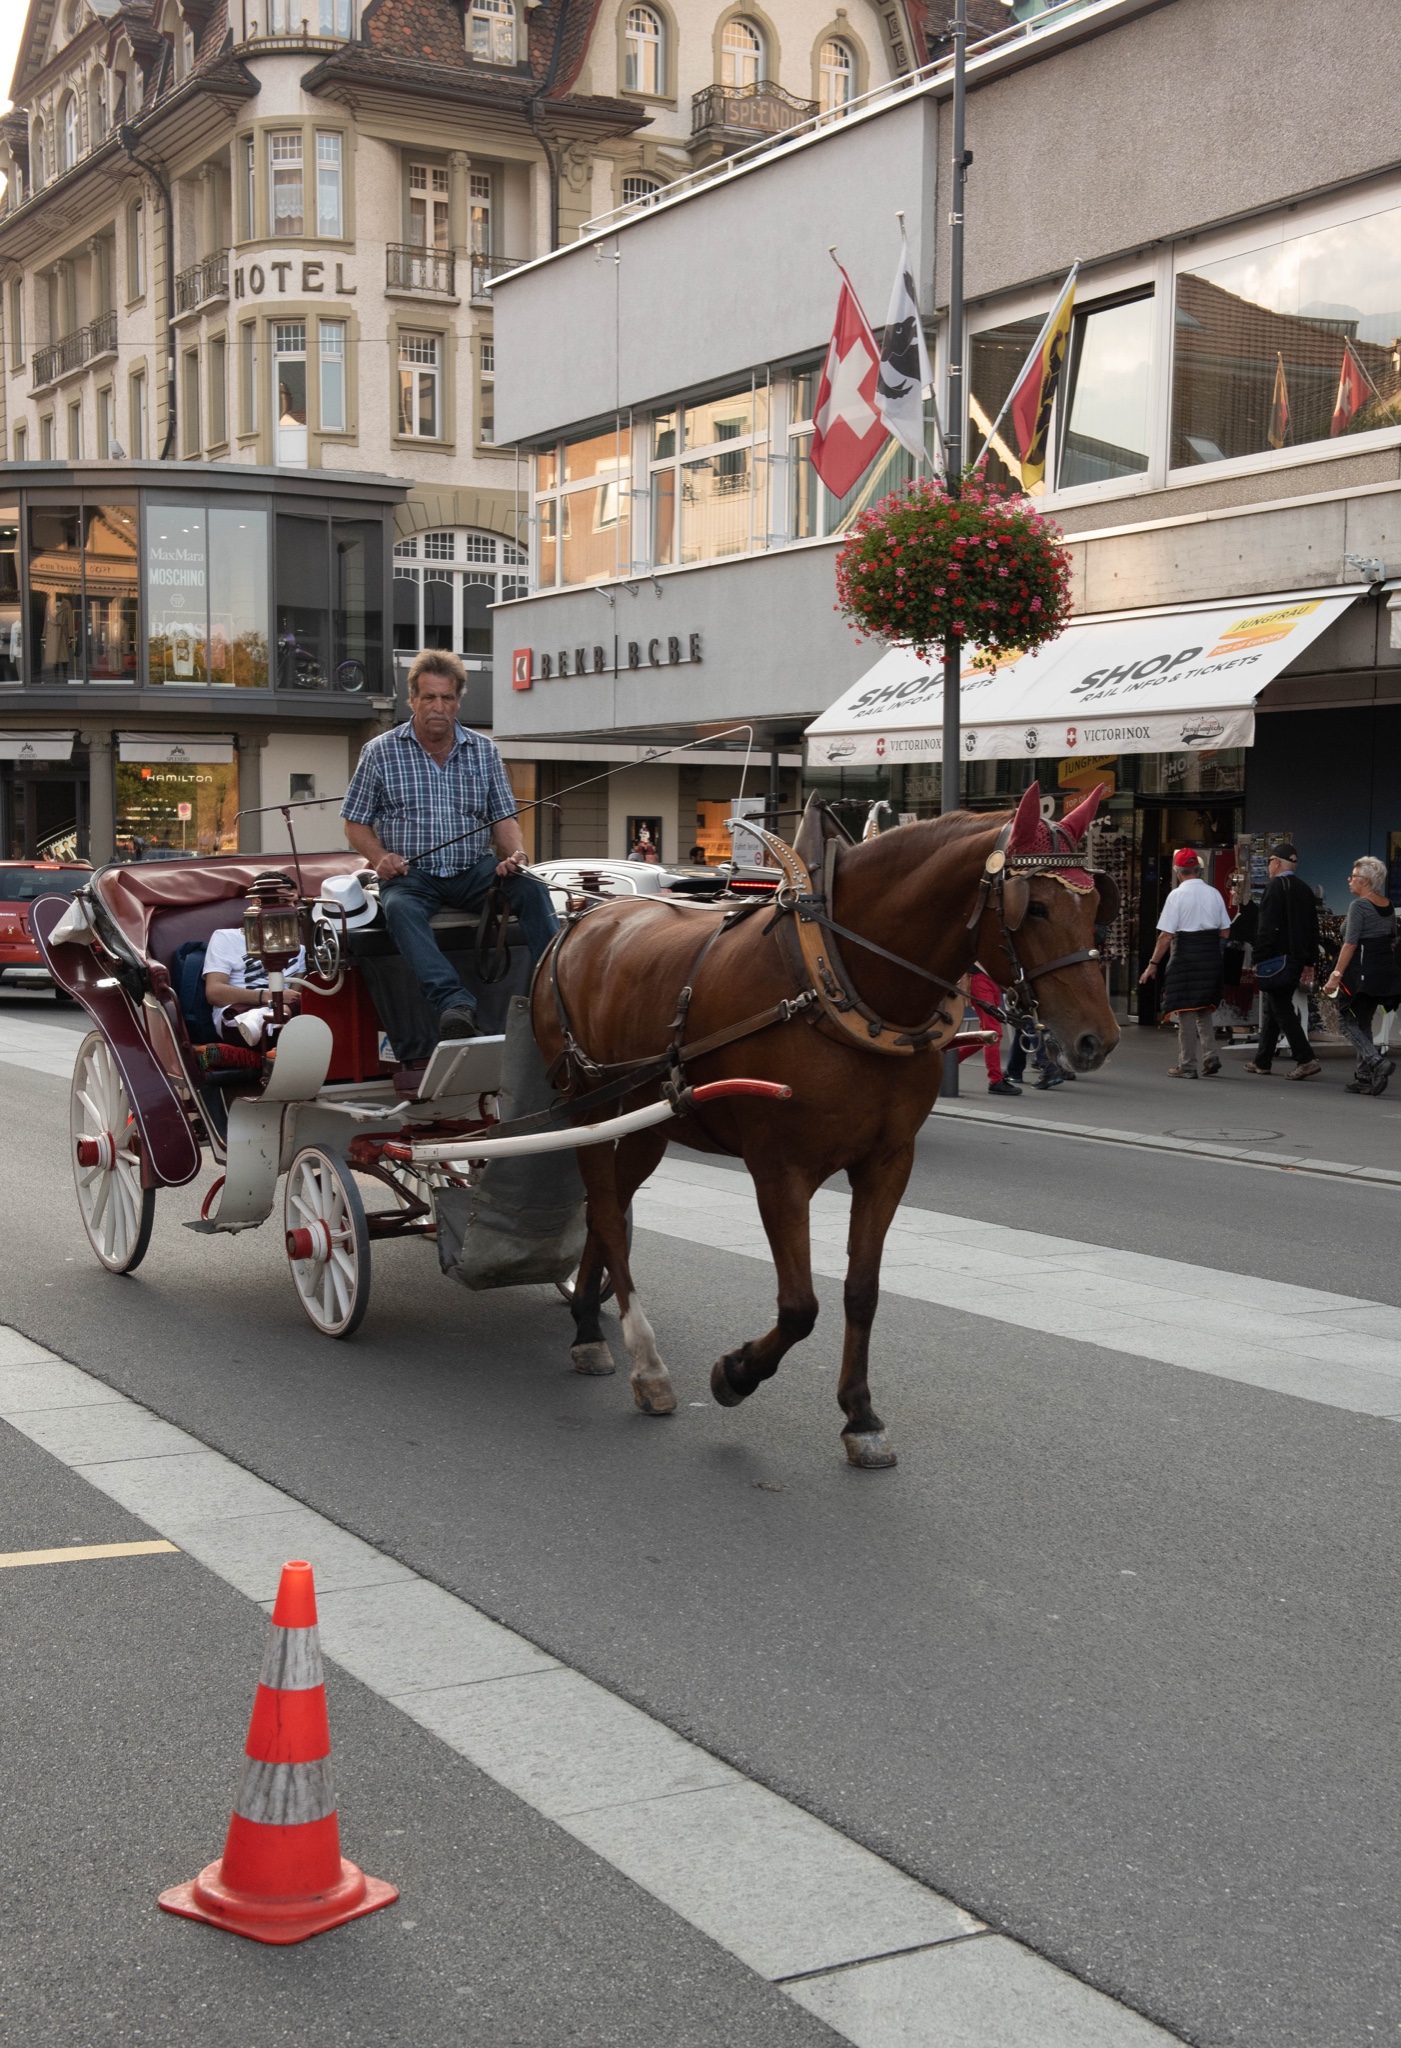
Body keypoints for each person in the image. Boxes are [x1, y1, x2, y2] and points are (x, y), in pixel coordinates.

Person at [341, 648, 558, 1042]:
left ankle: (558, 985)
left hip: (474, 871)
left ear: (458, 701)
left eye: (446, 698)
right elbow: (355, 823)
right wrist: (380, 858)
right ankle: (454, 1003)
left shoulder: (485, 751)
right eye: (429, 697)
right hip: (412, 876)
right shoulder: (379, 752)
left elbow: (504, 819)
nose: (438, 707)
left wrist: (516, 856)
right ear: (413, 700)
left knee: (531, 887)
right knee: (399, 908)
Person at [1138, 848, 1230, 1078]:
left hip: (1186, 957)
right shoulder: (1214, 894)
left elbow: (1166, 936)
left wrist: (1152, 964)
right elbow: (1226, 932)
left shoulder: (1176, 896)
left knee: (1185, 1010)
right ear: (1198, 870)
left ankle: (1187, 1065)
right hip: (1210, 957)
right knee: (1202, 1007)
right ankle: (1211, 1055)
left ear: (1178, 871)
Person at [1243, 841, 1322, 1080]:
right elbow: (1312, 928)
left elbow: (1266, 926)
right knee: (1274, 1005)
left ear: (1276, 862)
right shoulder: (1304, 889)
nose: (1268, 866)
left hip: (1277, 959)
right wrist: (1310, 961)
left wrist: (1258, 958)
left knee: (1281, 1008)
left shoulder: (1275, 887)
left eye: (1269, 862)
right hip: (1297, 958)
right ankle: (1262, 1059)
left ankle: (1305, 1058)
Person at [1322, 855, 1399, 1097]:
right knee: (1363, 1020)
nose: (1349, 880)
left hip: (1360, 971)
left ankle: (1377, 1062)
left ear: (1365, 880)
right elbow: (1393, 939)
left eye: (1353, 876)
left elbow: (1350, 943)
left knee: (1346, 1021)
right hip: (1382, 971)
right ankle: (1364, 1077)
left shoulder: (1359, 906)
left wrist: (1336, 975)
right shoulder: (1387, 904)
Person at [204, 919, 305, 1047]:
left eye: (295, 902)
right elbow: (214, 993)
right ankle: (261, 1017)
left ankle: (266, 1017)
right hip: (239, 1016)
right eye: (284, 901)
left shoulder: (300, 950)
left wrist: (288, 1005)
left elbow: (293, 997)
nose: (293, 908)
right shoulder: (226, 937)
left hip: (283, 1017)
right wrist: (273, 997)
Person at [958, 968, 1019, 1095]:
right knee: (992, 1033)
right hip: (982, 979)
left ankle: (949, 1061)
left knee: (987, 1033)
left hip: (989, 980)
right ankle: (996, 1080)